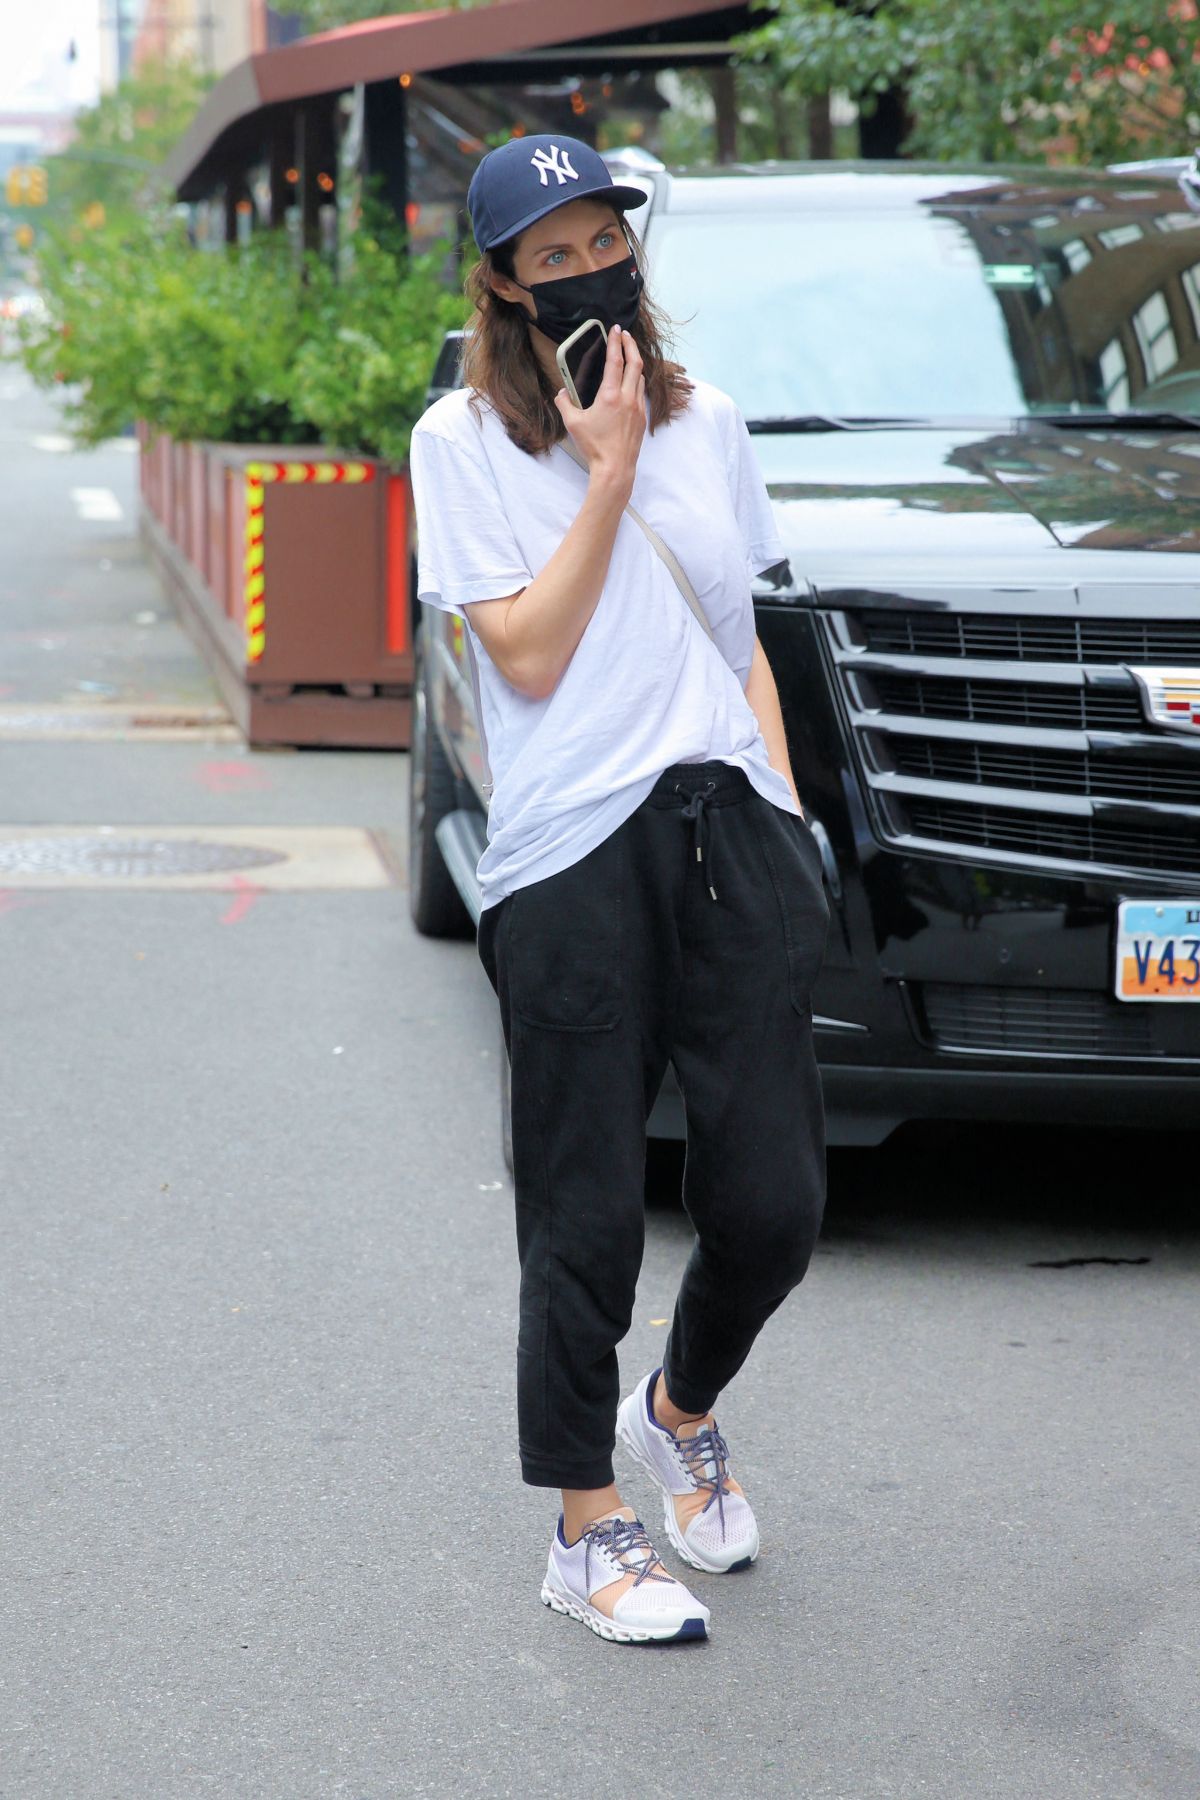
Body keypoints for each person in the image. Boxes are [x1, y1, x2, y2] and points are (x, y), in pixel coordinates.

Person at [408, 134, 829, 1645]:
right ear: (508, 286)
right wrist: (605, 474)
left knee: (777, 1197)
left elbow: (737, 639)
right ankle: (586, 1526)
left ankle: (680, 1408)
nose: (591, 266)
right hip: (573, 848)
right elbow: (523, 652)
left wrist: (783, 810)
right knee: (585, 1209)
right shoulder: (457, 442)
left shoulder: (710, 423)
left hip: (731, 823)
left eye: (607, 239)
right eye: (555, 252)